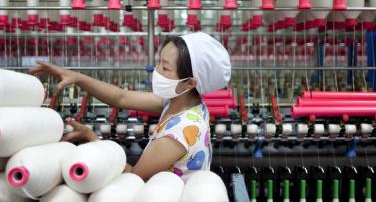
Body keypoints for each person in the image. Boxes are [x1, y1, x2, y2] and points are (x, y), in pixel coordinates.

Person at [31, 32, 231, 181]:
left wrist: (92, 139)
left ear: (189, 83)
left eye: (165, 67)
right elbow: (121, 98)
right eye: (159, 63)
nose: (156, 70)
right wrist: (77, 77)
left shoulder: (178, 134)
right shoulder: (181, 104)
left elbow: (134, 177)